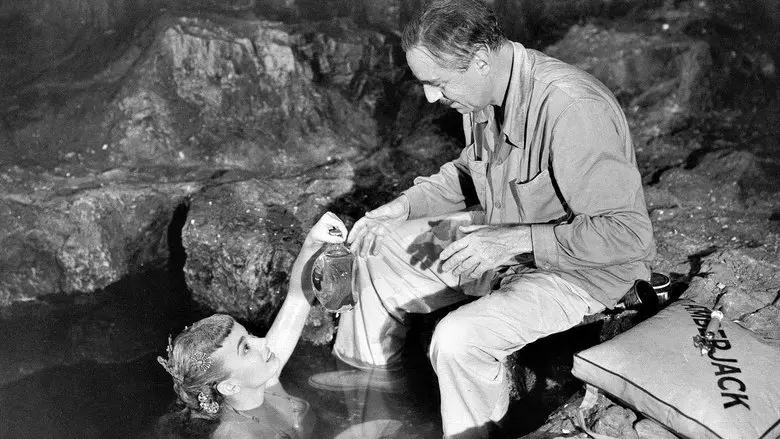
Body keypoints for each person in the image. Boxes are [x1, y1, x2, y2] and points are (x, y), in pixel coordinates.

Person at [307, 0, 656, 438]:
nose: (430, 97)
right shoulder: (483, 93)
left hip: (582, 273)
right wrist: (403, 207)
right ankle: (373, 389)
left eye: (437, 83)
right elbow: (466, 173)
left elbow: (629, 235)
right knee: (376, 250)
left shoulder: (572, 109)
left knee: (458, 340)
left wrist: (511, 242)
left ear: (480, 60)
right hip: (503, 238)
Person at [156, 212, 349, 439]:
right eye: (246, 348)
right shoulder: (237, 435)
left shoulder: (264, 380)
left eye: (248, 335)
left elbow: (297, 299)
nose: (262, 341)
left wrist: (312, 242)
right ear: (230, 386)